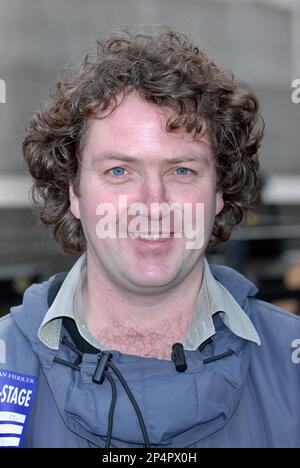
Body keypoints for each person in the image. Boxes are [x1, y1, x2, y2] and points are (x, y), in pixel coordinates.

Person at [1, 26, 299, 449]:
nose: (153, 204)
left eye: (182, 170)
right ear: (74, 191)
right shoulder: (7, 365)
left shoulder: (291, 367)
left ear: (218, 192)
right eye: (119, 171)